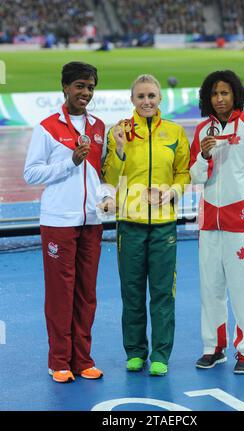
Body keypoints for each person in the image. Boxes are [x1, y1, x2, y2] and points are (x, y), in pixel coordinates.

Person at [24, 62, 114, 383]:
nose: (85, 93)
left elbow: (101, 174)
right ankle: (58, 361)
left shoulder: (100, 126)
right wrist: (69, 162)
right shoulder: (47, 127)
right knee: (61, 293)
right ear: (64, 87)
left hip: (92, 220)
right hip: (58, 221)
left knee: (86, 293)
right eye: (79, 86)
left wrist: (106, 196)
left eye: (90, 87)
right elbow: (31, 173)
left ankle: (83, 359)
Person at [190, 70, 244, 374]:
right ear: (207, 98)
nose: (219, 99)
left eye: (225, 93)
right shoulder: (203, 131)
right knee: (210, 288)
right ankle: (213, 348)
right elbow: (195, 176)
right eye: (214, 94)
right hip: (209, 225)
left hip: (241, 225)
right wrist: (203, 156)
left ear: (235, 95)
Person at [102, 74, 190, 376]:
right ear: (132, 100)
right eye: (141, 97)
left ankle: (161, 355)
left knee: (164, 292)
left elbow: (183, 174)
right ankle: (135, 351)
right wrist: (121, 149)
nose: (147, 101)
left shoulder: (175, 132)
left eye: (151, 96)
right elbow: (110, 179)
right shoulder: (119, 132)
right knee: (132, 291)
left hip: (164, 225)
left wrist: (172, 192)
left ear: (160, 99)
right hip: (129, 223)